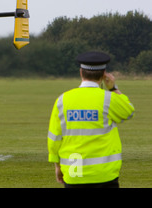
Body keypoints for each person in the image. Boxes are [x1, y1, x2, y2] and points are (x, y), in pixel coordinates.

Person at [47, 51, 135, 188]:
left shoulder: (62, 100)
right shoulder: (108, 98)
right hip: (104, 174)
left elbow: (54, 139)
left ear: (81, 72)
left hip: (73, 173)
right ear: (104, 74)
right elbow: (129, 111)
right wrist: (113, 88)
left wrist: (57, 166)